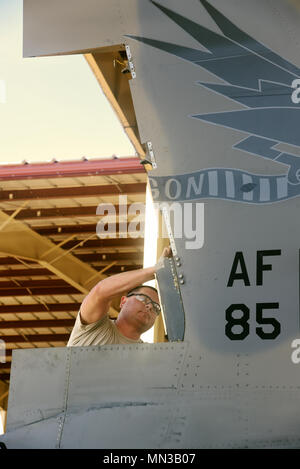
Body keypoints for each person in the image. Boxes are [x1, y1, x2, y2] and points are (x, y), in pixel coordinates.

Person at [67, 246, 172, 346]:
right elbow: (100, 292)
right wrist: (155, 270)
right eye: (143, 299)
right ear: (123, 301)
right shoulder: (93, 328)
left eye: (156, 307)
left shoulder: (150, 356)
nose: (150, 306)